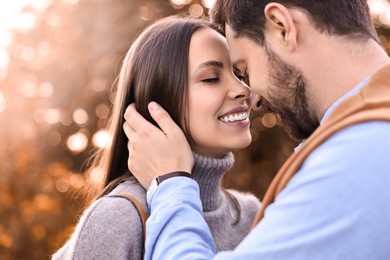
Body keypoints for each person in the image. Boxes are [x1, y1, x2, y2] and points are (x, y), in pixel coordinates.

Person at [123, 0, 390, 259]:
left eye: (244, 69)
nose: (255, 98)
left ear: (282, 25)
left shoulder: (356, 160)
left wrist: (169, 182)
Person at [52, 17, 261, 259]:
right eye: (211, 78)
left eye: (239, 74)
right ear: (158, 101)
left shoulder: (251, 215)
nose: (243, 90)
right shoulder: (117, 218)